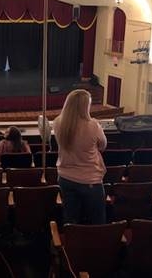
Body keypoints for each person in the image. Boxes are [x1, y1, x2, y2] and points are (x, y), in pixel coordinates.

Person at [53, 89, 107, 225]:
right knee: (97, 221)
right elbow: (103, 146)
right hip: (90, 180)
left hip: (65, 178)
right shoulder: (93, 125)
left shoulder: (58, 123)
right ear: (85, 106)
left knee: (71, 220)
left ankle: (73, 244)